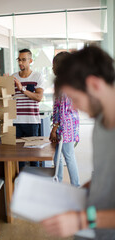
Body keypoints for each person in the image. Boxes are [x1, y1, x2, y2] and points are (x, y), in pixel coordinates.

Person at [41, 46, 115, 240]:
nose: (73, 106)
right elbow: (105, 176)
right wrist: (80, 193)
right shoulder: (101, 123)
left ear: (94, 85)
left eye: (74, 98)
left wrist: (82, 220)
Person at [50, 52, 80, 186]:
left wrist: (55, 127)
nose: (52, 68)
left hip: (65, 125)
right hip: (69, 123)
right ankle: (59, 181)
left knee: (68, 156)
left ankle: (75, 185)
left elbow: (62, 109)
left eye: (54, 65)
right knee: (58, 156)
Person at [13, 49, 44, 169]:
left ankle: (33, 183)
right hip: (16, 122)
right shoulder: (14, 77)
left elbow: (38, 97)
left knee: (33, 156)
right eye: (19, 60)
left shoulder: (37, 76)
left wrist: (22, 89)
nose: (21, 62)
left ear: (30, 61)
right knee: (18, 157)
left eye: (24, 60)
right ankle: (21, 182)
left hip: (32, 122)